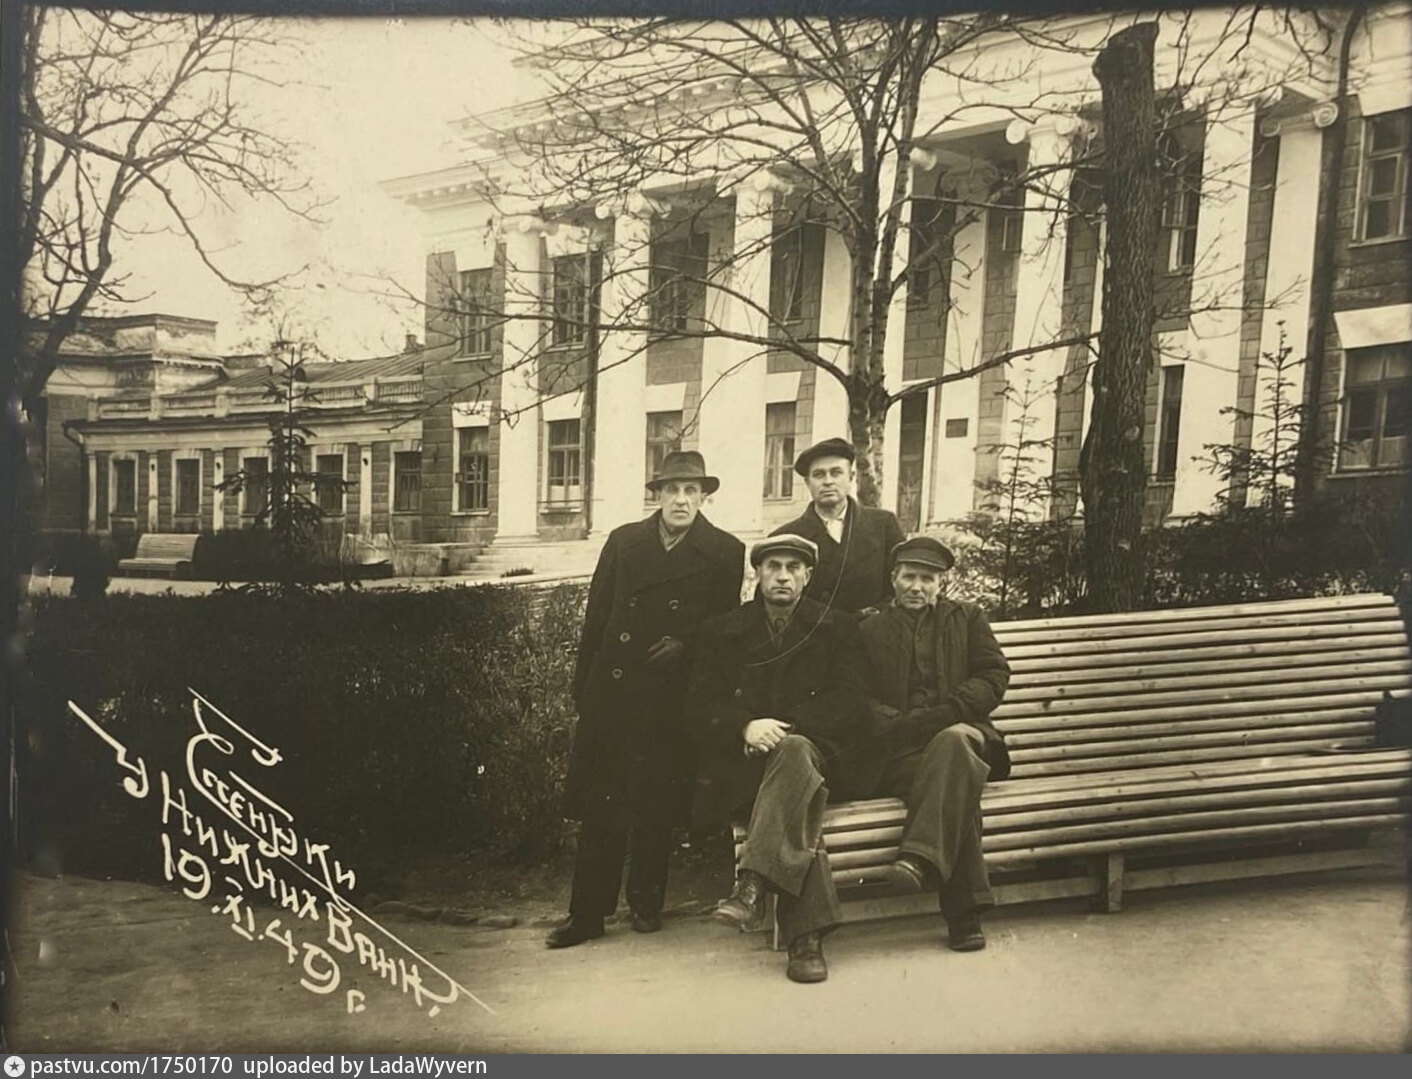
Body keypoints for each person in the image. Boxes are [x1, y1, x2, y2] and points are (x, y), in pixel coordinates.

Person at [548, 451, 746, 948]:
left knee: (656, 804)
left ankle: (646, 903)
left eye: (691, 491)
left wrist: (686, 644)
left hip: (670, 695)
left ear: (704, 497)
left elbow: (725, 628)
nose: (681, 500)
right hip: (613, 693)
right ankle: (587, 915)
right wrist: (584, 688)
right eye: (672, 490)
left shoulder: (725, 550)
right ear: (657, 495)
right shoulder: (623, 541)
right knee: (602, 808)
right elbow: (597, 617)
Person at [686, 534, 869, 983]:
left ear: (808, 576)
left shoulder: (838, 627)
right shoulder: (721, 631)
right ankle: (805, 942)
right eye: (773, 567)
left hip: (820, 757)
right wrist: (745, 726)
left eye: (793, 568)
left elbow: (851, 701)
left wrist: (783, 730)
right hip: (746, 767)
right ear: (757, 574)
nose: (782, 576)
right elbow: (697, 705)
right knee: (799, 807)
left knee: (794, 755)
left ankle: (752, 883)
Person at [852, 536, 1011, 951]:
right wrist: (899, 724)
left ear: (941, 583)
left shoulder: (968, 619)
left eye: (927, 579)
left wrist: (951, 711)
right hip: (901, 750)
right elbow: (856, 695)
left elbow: (994, 674)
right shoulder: (868, 628)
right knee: (954, 786)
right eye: (909, 577)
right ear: (894, 578)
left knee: (953, 744)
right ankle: (965, 917)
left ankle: (920, 858)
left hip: (965, 734)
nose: (917, 587)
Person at [771, 437, 904, 615]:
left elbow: (903, 585)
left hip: (870, 629)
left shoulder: (883, 525)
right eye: (819, 475)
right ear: (808, 482)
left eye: (836, 473)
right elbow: (771, 603)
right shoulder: (785, 536)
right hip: (813, 631)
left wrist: (874, 616)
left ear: (851, 478)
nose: (828, 481)